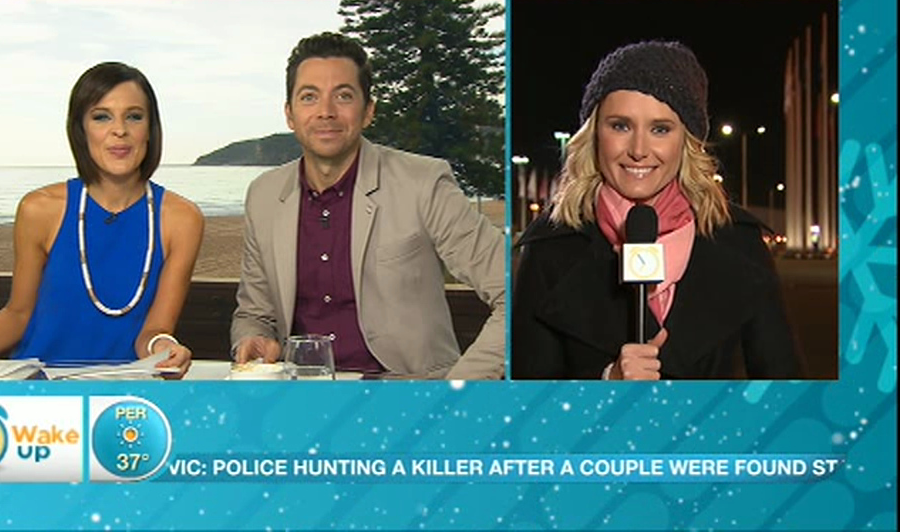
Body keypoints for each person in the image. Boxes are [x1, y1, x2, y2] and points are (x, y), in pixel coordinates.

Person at [511, 41, 801, 380]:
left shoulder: (739, 242)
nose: (638, 150)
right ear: (594, 134)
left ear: (686, 141)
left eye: (660, 129)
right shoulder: (549, 250)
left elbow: (786, 391)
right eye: (620, 126)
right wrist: (607, 381)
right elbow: (525, 402)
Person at [231, 32, 505, 379]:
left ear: (368, 111)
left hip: (408, 395)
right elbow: (254, 313)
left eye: (343, 96)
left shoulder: (424, 183)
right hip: (302, 395)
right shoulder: (264, 195)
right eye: (309, 97)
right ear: (290, 114)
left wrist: (460, 388)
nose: (326, 112)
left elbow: (515, 291)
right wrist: (253, 339)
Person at [0, 62, 203, 377]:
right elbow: (17, 314)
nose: (119, 130)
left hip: (122, 393)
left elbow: (154, 332)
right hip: (38, 388)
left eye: (134, 116)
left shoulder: (182, 219)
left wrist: (165, 348)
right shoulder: (39, 209)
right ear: (81, 129)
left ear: (150, 129)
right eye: (101, 116)